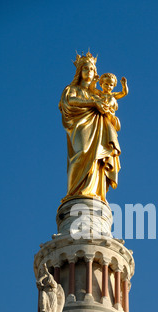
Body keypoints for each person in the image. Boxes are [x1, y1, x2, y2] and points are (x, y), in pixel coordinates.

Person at [59, 53, 123, 203]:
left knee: (97, 158)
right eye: (85, 68)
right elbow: (69, 101)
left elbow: (112, 102)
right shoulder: (72, 88)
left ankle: (94, 190)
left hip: (99, 127)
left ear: (95, 73)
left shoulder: (98, 94)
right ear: (80, 72)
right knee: (81, 153)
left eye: (92, 69)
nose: (89, 72)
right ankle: (74, 191)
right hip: (81, 124)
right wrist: (93, 104)